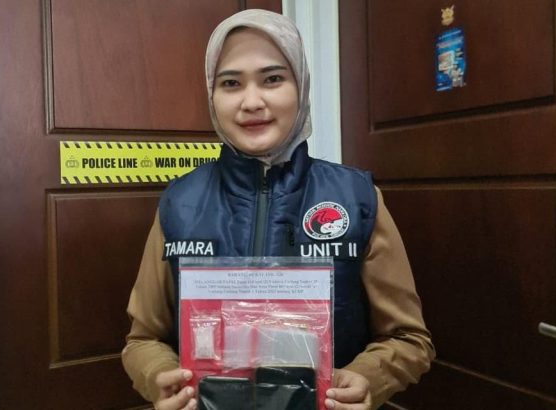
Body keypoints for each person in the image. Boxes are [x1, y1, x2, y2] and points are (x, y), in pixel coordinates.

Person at [122, 9, 435, 410]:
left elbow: (409, 340)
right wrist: (158, 376)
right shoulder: (180, 202)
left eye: (272, 79)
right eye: (231, 83)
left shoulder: (357, 198)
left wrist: (368, 379)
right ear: (212, 95)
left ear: (300, 86)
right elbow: (142, 340)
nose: (252, 102)